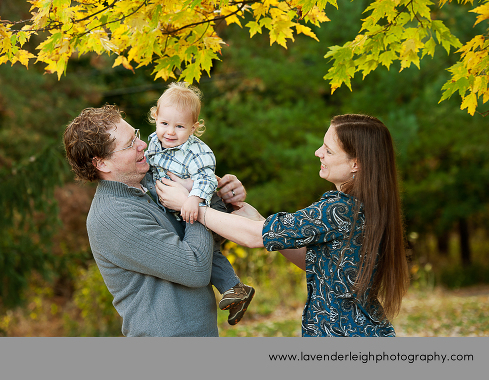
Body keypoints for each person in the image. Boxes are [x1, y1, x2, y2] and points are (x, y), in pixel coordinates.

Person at [157, 114, 409, 336]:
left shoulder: (336, 209)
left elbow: (255, 237)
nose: (318, 153)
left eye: (329, 150)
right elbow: (311, 261)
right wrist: (248, 213)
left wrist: (190, 206)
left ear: (356, 164)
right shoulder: (363, 206)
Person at [62, 105, 247, 336]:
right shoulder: (114, 217)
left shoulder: (153, 179)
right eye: (130, 144)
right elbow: (196, 268)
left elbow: (211, 241)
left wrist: (222, 197)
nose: (143, 145)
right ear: (102, 163)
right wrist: (195, 199)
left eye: (136, 135)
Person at [145, 82, 254, 324]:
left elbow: (205, 178)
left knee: (204, 250)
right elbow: (148, 163)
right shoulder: (154, 142)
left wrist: (194, 198)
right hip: (181, 207)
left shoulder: (197, 152)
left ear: (194, 128)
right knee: (205, 252)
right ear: (155, 117)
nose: (170, 132)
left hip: (205, 202)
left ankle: (234, 288)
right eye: (164, 123)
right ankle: (235, 290)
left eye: (180, 126)